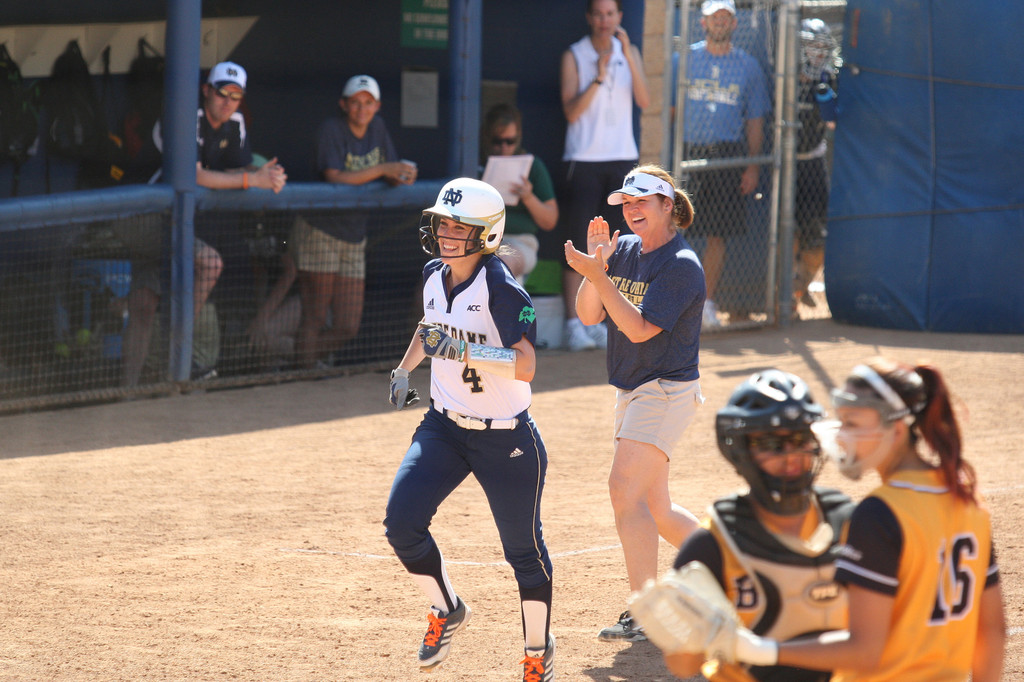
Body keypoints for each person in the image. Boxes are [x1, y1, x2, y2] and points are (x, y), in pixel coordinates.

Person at [690, 358, 1007, 681]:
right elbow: (993, 631)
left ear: (896, 429)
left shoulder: (880, 513)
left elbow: (864, 650)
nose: (841, 436)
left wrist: (761, 649)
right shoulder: (969, 502)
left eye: (853, 424)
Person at [383, 178, 555, 681]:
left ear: (488, 233)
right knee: (401, 523)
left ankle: (536, 651)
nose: (447, 233)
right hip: (444, 426)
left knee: (524, 552)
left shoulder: (502, 289)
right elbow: (430, 326)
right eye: (443, 222)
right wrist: (403, 369)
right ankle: (446, 608)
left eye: (460, 226)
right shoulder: (435, 273)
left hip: (505, 437)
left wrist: (461, 351)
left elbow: (525, 366)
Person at [563, 164, 704, 641]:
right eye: (627, 202)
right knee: (655, 507)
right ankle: (731, 566)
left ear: (668, 206)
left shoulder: (681, 265)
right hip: (633, 387)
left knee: (624, 489)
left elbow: (641, 329)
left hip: (665, 389)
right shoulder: (623, 250)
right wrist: (597, 270)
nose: (632, 210)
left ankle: (647, 611)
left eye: (642, 201)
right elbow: (587, 314)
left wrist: (599, 276)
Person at [654, 369, 855, 681]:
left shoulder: (846, 521)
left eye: (801, 440)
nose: (791, 456)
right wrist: (689, 628)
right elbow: (682, 666)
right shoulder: (714, 543)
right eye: (773, 444)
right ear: (740, 449)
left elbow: (884, 635)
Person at [117, 60, 287, 385]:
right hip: (139, 218)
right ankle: (172, 355)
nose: (228, 102)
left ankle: (130, 390)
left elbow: (238, 171)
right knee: (209, 263)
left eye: (236, 96)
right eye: (223, 93)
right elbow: (193, 177)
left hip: (172, 224)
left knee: (143, 303)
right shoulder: (184, 115)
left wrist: (260, 175)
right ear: (206, 90)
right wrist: (253, 179)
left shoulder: (234, 122)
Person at [295, 74, 417, 369]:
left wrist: (401, 174)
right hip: (320, 230)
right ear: (344, 104)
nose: (362, 109)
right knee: (315, 315)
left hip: (354, 234)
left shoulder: (377, 128)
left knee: (348, 325)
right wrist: (385, 168)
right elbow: (336, 177)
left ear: (377, 106)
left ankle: (298, 359)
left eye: (368, 103)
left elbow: (389, 171)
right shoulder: (331, 130)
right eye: (355, 103)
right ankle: (304, 377)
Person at [559, 0, 650, 351]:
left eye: (610, 14)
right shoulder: (574, 55)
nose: (604, 20)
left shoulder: (631, 52)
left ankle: (605, 318)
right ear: (589, 18)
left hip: (622, 160)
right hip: (584, 160)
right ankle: (574, 324)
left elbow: (644, 99)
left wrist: (627, 56)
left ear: (619, 18)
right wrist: (598, 75)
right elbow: (571, 112)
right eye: (598, 14)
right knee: (580, 243)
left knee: (617, 245)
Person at [680, 0, 770, 328]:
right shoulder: (685, 59)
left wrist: (752, 165)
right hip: (689, 151)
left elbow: (756, 119)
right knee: (678, 231)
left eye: (726, 17)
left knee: (718, 234)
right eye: (714, 17)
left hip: (728, 155)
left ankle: (705, 304)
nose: (720, 22)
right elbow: (671, 111)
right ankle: (676, 301)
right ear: (703, 22)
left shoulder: (748, 66)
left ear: (734, 23)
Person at [481, 103, 558, 284]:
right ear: (486, 138)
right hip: (478, 242)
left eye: (510, 141)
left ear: (519, 138)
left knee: (500, 264)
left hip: (520, 242)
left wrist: (528, 197)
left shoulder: (533, 166)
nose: (504, 148)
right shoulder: (473, 164)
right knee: (436, 278)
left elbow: (550, 220)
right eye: (497, 142)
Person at [793, 18, 838, 310]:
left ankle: (800, 286)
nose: (818, 53)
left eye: (822, 47)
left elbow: (833, 122)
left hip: (812, 162)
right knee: (789, 235)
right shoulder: (783, 77)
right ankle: (786, 300)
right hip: (784, 165)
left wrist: (827, 99)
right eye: (812, 46)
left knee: (819, 238)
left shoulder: (828, 79)